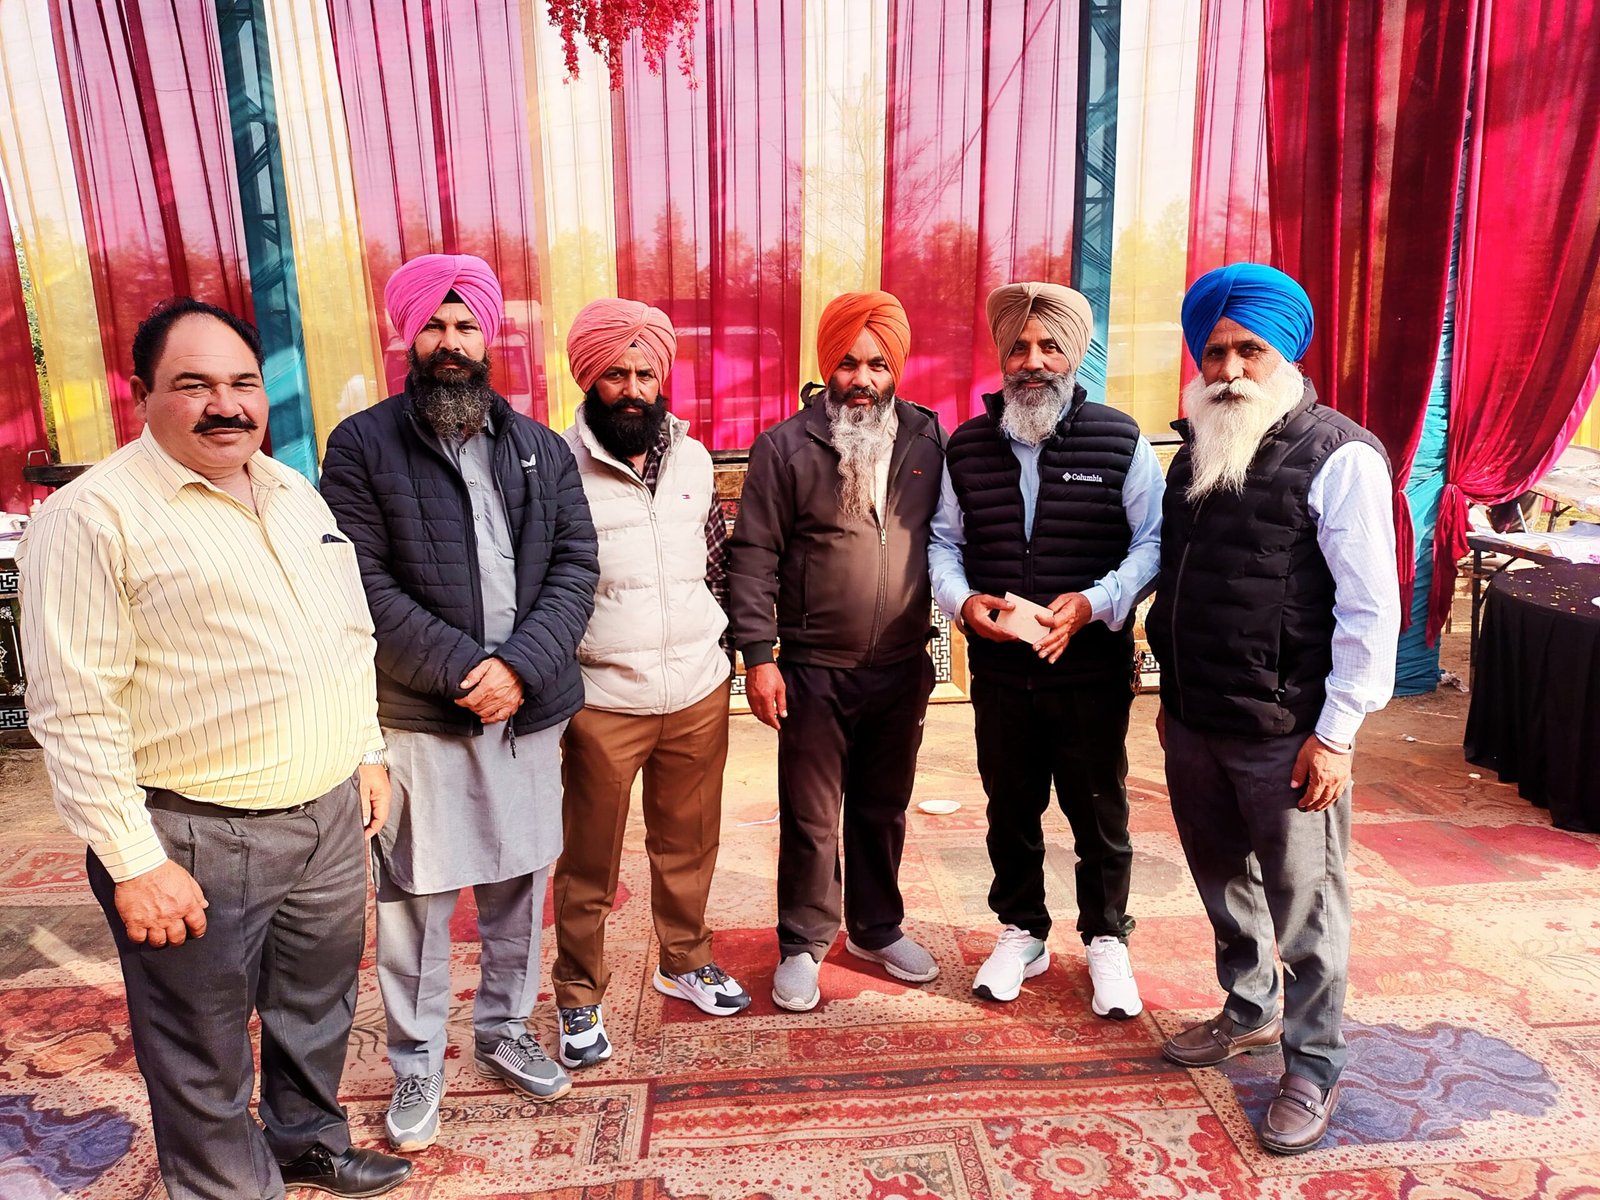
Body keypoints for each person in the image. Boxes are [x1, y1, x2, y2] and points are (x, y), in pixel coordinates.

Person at [18, 299, 411, 1199]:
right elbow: (74, 708)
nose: (226, 405)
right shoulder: (92, 517)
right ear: (140, 392)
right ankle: (228, 1189)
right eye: (194, 385)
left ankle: (307, 1142)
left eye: (242, 383)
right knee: (200, 1044)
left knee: (315, 1007)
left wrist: (365, 750)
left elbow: (345, 632)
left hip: (325, 816)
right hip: (193, 833)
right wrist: (133, 861)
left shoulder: (290, 489)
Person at [319, 254, 599, 1152]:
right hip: (422, 713)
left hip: (527, 707)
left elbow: (576, 566)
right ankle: (416, 1062)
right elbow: (359, 580)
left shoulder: (540, 446)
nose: (451, 342)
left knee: (520, 883)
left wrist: (518, 668)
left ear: (489, 337)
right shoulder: (361, 446)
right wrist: (464, 671)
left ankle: (505, 1028)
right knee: (417, 892)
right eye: (434, 326)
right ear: (409, 337)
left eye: (466, 326)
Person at [1147, 263, 1400, 1154]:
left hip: (1289, 732)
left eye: (1248, 349)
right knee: (1224, 881)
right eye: (1214, 351)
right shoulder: (1198, 448)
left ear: (1285, 353)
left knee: (1308, 908)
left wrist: (1336, 735)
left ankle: (1315, 1063)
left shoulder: (1340, 455)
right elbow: (1172, 570)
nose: (1228, 369)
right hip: (1195, 716)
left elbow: (1371, 609)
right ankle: (1248, 1007)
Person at [929, 282, 1162, 1017]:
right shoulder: (967, 446)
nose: (1033, 362)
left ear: (1075, 355)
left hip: (1090, 670)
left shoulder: (1120, 439)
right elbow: (943, 542)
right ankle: (1022, 931)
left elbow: (1154, 542)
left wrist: (1096, 602)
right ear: (1002, 357)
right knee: (1010, 807)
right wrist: (964, 603)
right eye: (1019, 348)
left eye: (1050, 346)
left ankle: (1107, 938)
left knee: (1099, 813)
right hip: (1001, 672)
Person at [729, 290, 947, 1012]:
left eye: (877, 365)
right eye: (848, 364)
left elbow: (949, 538)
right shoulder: (784, 448)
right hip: (813, 669)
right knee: (812, 815)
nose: (862, 379)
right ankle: (802, 941)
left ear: (896, 368)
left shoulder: (927, 439)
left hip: (902, 666)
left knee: (883, 807)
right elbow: (754, 555)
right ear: (828, 366)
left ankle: (876, 929)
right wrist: (758, 655)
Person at [551, 298, 750, 1070]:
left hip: (697, 689)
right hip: (603, 699)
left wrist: (728, 650)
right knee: (589, 863)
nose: (632, 389)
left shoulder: (693, 458)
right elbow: (543, 583)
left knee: (689, 844)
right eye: (615, 374)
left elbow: (717, 559)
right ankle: (578, 994)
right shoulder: (556, 465)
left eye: (645, 373)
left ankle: (685, 960)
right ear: (588, 378)